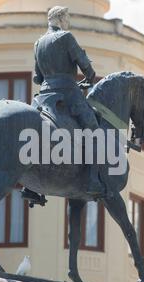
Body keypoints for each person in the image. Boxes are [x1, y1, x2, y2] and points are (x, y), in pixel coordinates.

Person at [32, 6, 104, 196]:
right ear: (61, 18)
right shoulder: (66, 37)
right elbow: (86, 67)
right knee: (93, 128)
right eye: (67, 18)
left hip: (43, 97)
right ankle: (93, 178)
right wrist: (89, 76)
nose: (68, 22)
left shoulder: (38, 43)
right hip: (67, 93)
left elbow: (37, 78)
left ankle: (29, 186)